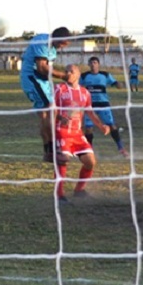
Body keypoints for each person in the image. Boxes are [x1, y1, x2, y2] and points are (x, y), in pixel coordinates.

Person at [52, 64, 109, 202]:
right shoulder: (58, 89)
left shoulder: (85, 93)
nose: (68, 73)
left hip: (77, 133)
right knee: (63, 160)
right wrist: (59, 117)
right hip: (62, 131)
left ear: (78, 74)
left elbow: (90, 111)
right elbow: (48, 109)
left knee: (90, 162)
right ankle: (59, 195)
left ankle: (79, 190)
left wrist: (101, 126)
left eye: (71, 71)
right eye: (66, 71)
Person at [19, 27, 73, 162]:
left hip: (43, 81)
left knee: (45, 114)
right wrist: (63, 76)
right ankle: (54, 150)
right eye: (62, 44)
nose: (62, 48)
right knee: (49, 111)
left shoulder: (52, 48)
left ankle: (49, 152)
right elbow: (42, 67)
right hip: (33, 78)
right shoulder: (42, 42)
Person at [80, 56, 128, 156]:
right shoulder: (84, 76)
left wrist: (120, 84)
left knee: (111, 125)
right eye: (91, 63)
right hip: (90, 105)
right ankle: (89, 151)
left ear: (98, 64)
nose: (93, 64)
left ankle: (121, 148)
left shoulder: (105, 75)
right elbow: (76, 86)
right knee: (88, 128)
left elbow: (115, 84)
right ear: (88, 64)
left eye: (95, 62)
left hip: (103, 104)